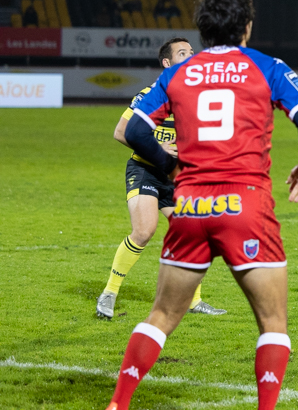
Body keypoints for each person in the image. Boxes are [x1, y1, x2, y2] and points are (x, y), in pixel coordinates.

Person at [105, 0, 298, 410]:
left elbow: (135, 130)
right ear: (247, 26)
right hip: (246, 204)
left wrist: (170, 166)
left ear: (202, 29)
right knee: (273, 322)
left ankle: (119, 402)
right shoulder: (268, 67)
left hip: (189, 205)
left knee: (161, 316)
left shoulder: (177, 73)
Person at [96, 37, 226, 320]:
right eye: (182, 53)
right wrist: (156, 149)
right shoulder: (149, 96)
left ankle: (194, 301)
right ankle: (109, 292)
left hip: (177, 176)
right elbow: (120, 132)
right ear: (167, 63)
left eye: (192, 52)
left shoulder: (198, 99)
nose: (190, 56)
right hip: (146, 170)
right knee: (144, 231)